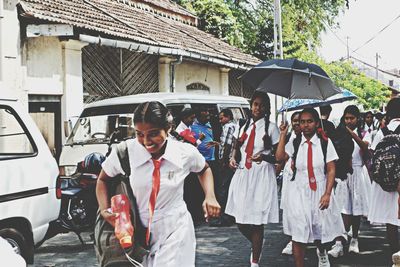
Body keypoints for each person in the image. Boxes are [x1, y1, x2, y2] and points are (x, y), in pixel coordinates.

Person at [96, 101, 221, 267]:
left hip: (175, 228)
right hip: (137, 233)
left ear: (168, 128)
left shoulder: (184, 153)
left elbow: (204, 169)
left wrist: (210, 196)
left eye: (153, 133)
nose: (146, 141)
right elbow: (103, 179)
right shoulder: (125, 153)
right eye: (139, 134)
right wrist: (105, 210)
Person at [276, 108, 344, 267]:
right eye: (302, 122)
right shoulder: (295, 142)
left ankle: (322, 252)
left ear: (316, 123)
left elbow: (331, 169)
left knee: (319, 228)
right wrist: (282, 135)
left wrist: (327, 193)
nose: (305, 125)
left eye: (309, 121)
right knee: (299, 231)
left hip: (319, 189)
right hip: (298, 190)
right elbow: (279, 157)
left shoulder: (325, 142)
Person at [226, 91, 280, 267]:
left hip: (261, 176)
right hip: (244, 175)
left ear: (267, 108)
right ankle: (258, 242)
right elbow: (236, 147)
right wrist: (233, 158)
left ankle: (255, 261)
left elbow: (280, 157)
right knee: (240, 219)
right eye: (255, 104)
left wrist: (264, 157)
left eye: (262, 105)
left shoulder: (271, 128)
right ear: (251, 106)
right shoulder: (244, 126)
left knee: (257, 221)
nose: (258, 108)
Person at [328, 105, 372, 258]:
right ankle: (340, 240)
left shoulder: (365, 132)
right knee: (343, 207)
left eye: (352, 118)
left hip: (358, 173)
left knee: (356, 209)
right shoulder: (339, 133)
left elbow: (364, 148)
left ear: (357, 118)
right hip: (343, 174)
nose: (348, 121)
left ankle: (355, 238)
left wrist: (352, 134)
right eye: (346, 118)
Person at [368, 98, 400, 260]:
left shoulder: (382, 132)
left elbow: (373, 155)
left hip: (386, 182)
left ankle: (395, 253)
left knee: (391, 220)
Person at [207, 108, 237, 226]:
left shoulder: (229, 127)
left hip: (227, 162)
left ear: (228, 117)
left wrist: (223, 161)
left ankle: (225, 218)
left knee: (224, 190)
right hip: (227, 161)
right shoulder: (230, 126)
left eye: (222, 118)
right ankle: (228, 216)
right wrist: (217, 144)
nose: (220, 121)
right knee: (227, 189)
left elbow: (229, 145)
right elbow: (225, 143)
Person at [281, 111, 301, 255]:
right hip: (289, 176)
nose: (296, 123)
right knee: (290, 210)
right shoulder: (289, 137)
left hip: (303, 178)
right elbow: (280, 156)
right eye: (294, 120)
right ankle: (292, 239)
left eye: (299, 121)